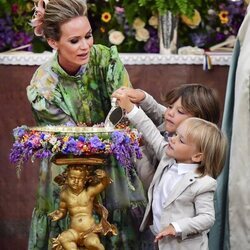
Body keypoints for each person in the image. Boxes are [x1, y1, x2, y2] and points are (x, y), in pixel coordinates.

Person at [27, 0, 147, 249]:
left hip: (113, 167)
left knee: (119, 226)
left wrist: (120, 109)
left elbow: (124, 109)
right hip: (69, 172)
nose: (85, 46)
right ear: (53, 42)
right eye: (74, 40)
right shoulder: (43, 85)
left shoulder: (105, 59)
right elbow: (70, 142)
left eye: (88, 36)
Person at [113, 90, 227, 249]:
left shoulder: (203, 183)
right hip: (161, 241)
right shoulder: (169, 157)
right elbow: (152, 132)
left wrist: (177, 227)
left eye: (180, 140)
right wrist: (142, 101)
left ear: (197, 156)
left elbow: (207, 218)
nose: (171, 139)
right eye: (175, 136)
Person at [117, 84, 220, 191]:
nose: (170, 113)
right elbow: (161, 113)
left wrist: (132, 111)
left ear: (198, 122)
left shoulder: (184, 152)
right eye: (170, 106)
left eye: (180, 111)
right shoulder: (177, 128)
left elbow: (156, 141)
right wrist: (143, 98)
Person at [48, 165, 116, 250]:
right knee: (63, 238)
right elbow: (62, 210)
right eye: (72, 178)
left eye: (80, 179)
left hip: (90, 231)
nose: (76, 181)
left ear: (85, 180)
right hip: (74, 231)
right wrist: (59, 214)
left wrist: (104, 177)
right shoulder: (64, 195)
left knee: (93, 243)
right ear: (66, 178)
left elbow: (103, 184)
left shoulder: (89, 192)